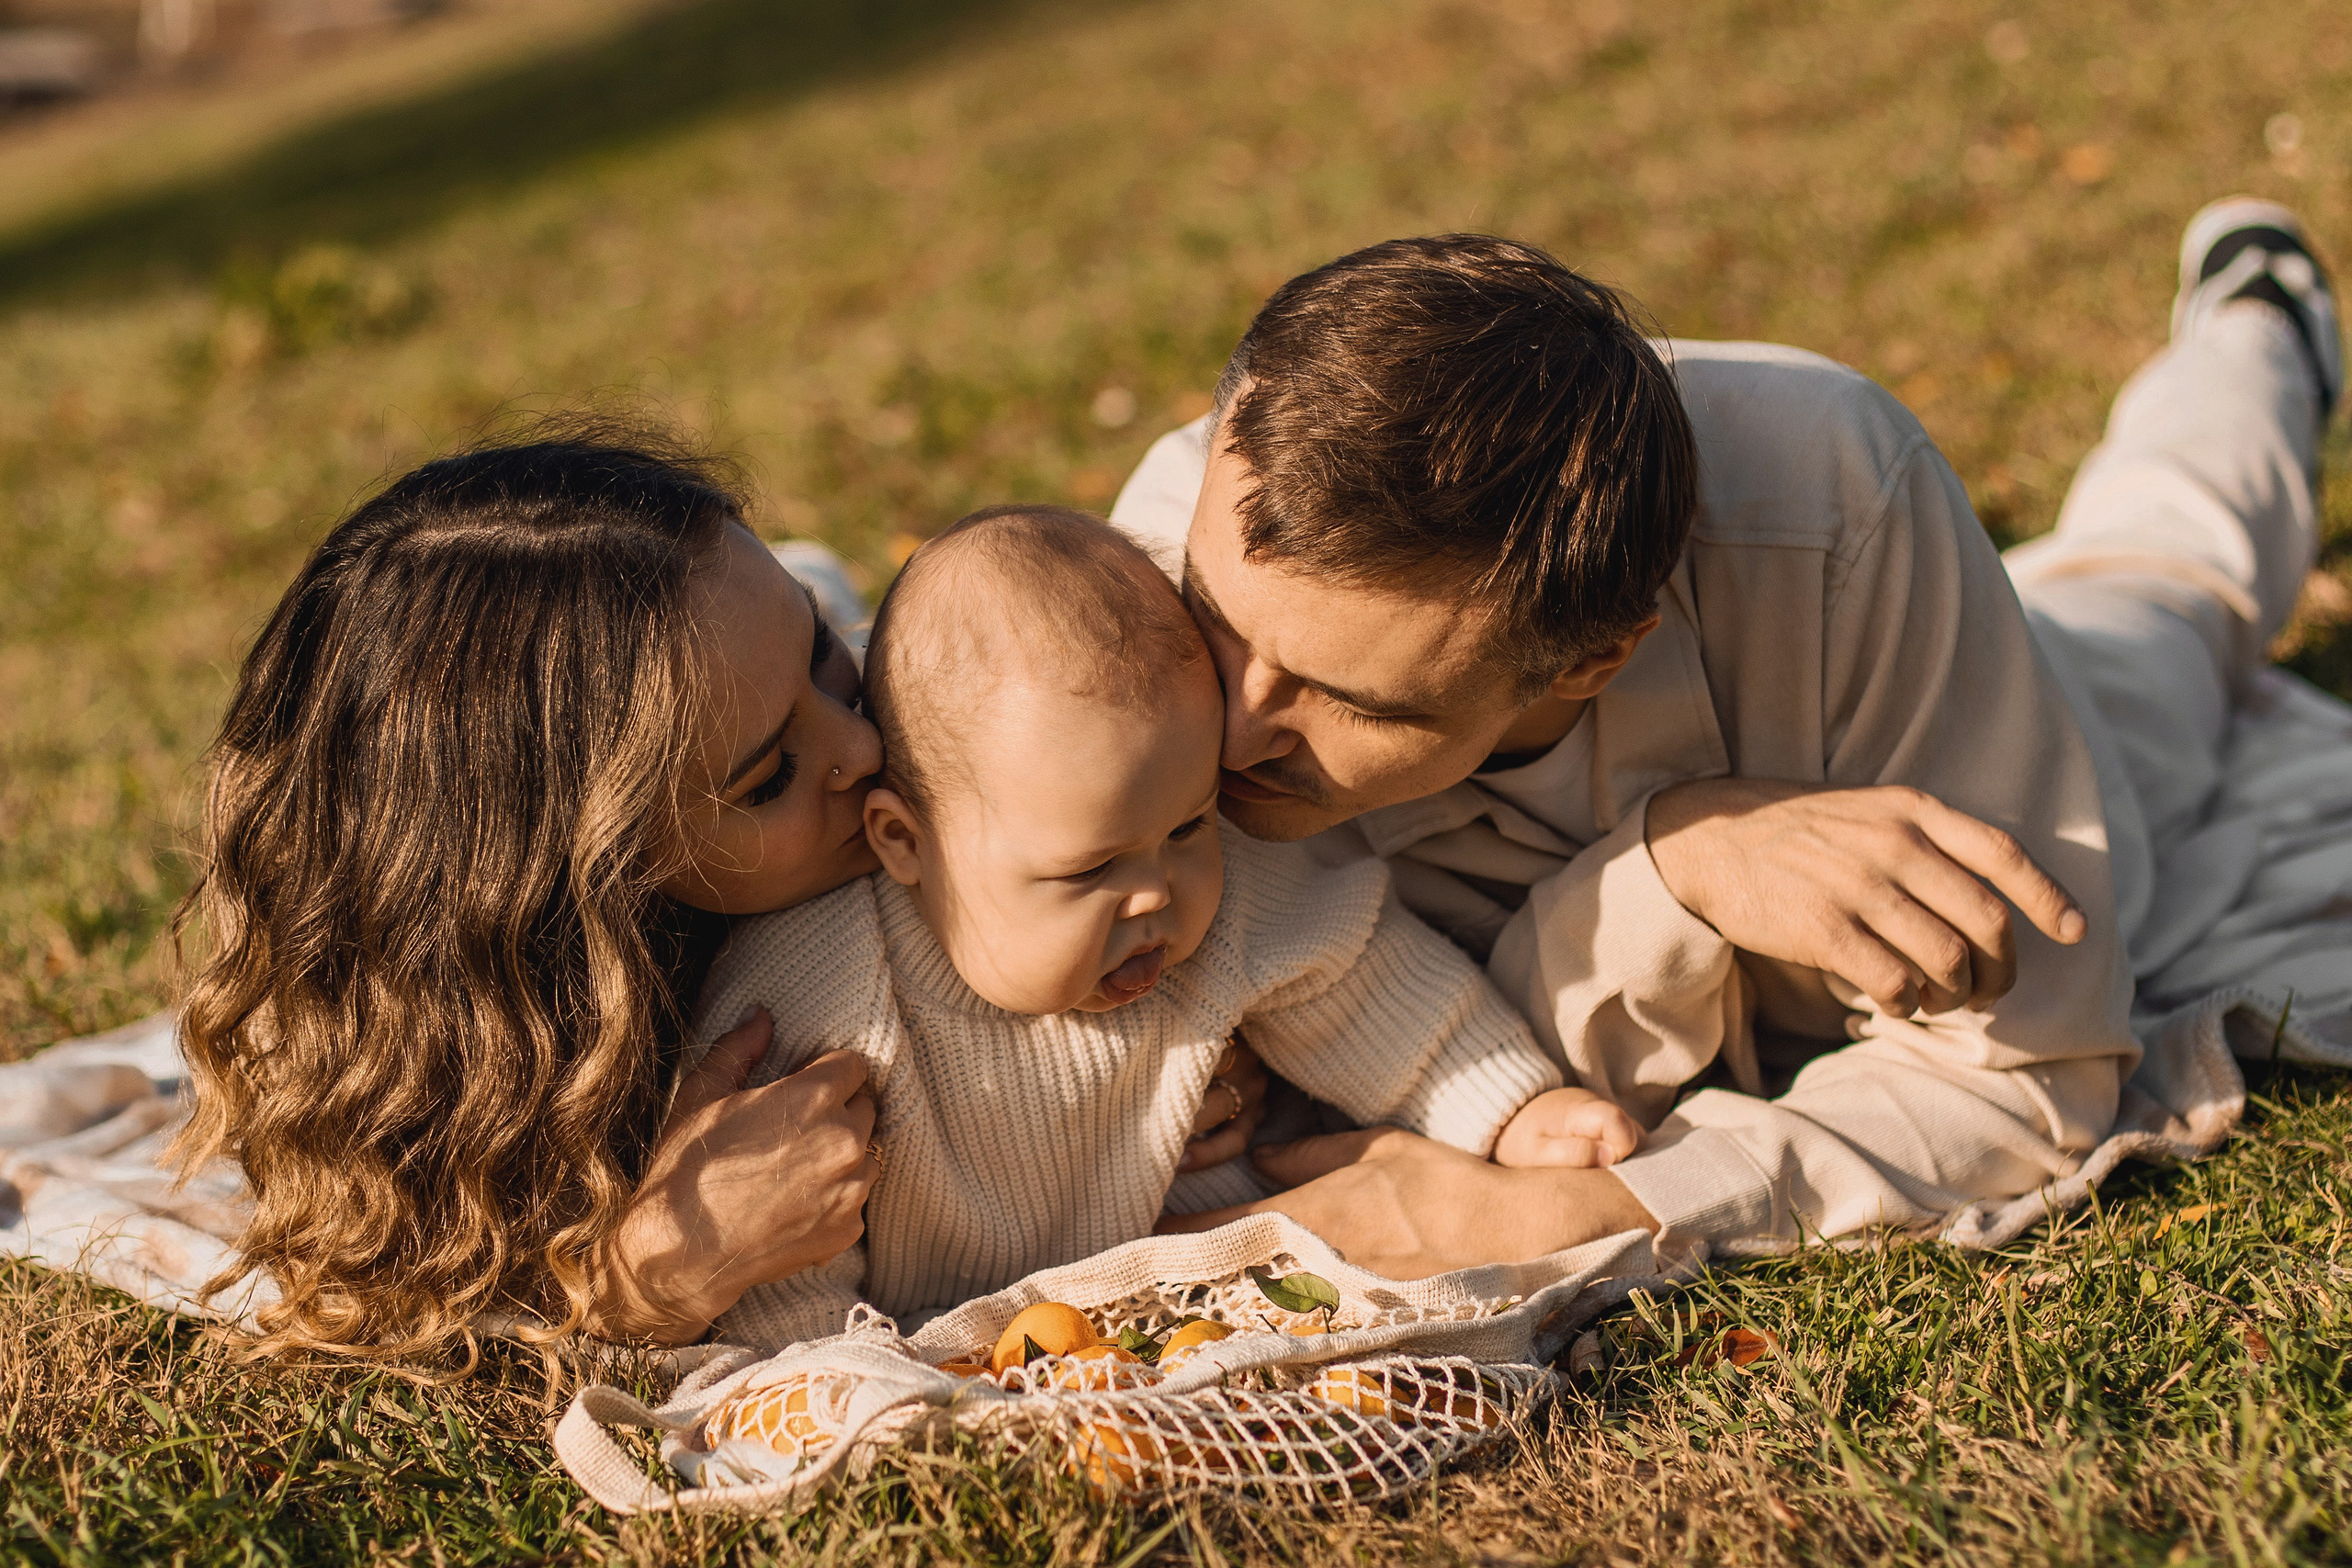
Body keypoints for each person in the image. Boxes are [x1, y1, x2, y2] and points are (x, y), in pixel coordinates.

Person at [1127, 199, 2342, 1275]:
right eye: (1222, 626)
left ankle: (2260, 318)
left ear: (1598, 655)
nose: (1226, 729)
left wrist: (1597, 1203)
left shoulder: (1835, 502)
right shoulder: (1144, 579)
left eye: (1358, 700)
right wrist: (1675, 874)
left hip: (2045, 693)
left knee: (2173, 582)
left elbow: (2029, 1074)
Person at [166, 434, 1256, 1359]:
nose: (866, 747)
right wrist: (650, 1277)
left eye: (829, 663)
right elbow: (387, 1307)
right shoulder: (455, 1036)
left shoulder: (858, 739)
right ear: (584, 880)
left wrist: (1146, 1068)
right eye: (769, 774)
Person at [681, 505, 1639, 1349]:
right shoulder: (819, 996)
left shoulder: (1229, 903)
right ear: (905, 841)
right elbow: (780, 1224)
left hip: (1206, 1289)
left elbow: (1363, 980)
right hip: (934, 1333)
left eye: (1187, 827)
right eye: (1090, 869)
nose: (1157, 894)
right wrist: (820, 1358)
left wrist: (1506, 1107)